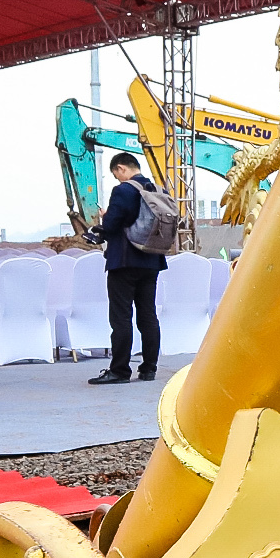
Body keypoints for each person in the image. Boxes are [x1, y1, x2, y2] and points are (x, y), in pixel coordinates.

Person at [88, 152, 166, 384]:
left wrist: (105, 217)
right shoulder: (158, 190)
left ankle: (120, 371)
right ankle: (149, 369)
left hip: (124, 261)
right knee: (148, 315)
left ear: (121, 168)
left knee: (121, 317)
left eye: (116, 174)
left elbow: (112, 225)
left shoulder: (123, 190)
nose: (118, 179)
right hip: (152, 260)